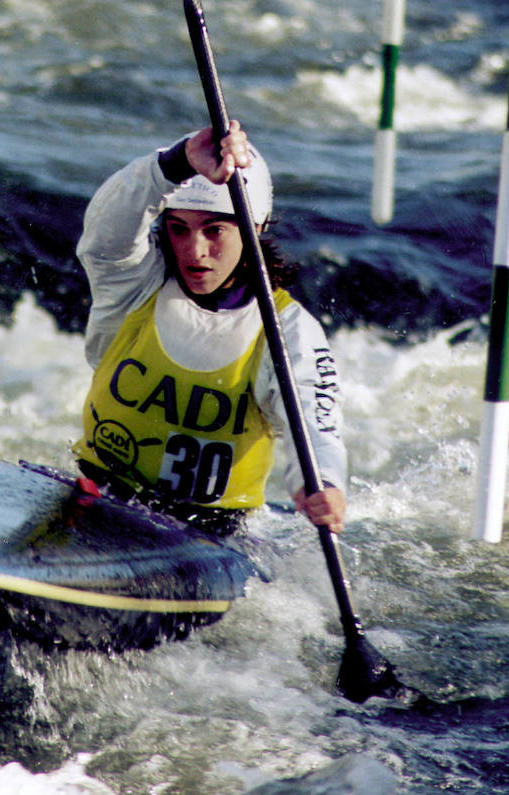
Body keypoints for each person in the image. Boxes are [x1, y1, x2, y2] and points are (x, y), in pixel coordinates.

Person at [73, 121, 348, 537]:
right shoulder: (133, 286)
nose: (193, 251)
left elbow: (315, 422)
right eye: (178, 228)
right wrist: (174, 164)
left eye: (215, 230)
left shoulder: (287, 330)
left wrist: (324, 483)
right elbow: (105, 231)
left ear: (256, 228)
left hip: (209, 533)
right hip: (97, 496)